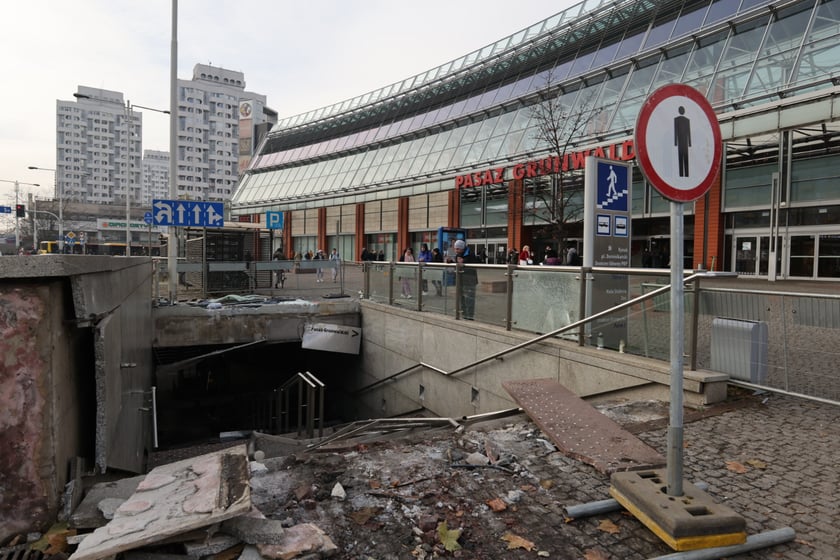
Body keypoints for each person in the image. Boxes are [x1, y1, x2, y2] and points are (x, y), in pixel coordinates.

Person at [453, 239, 479, 320]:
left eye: (457, 249)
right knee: (462, 298)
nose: (456, 251)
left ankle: (470, 316)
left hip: (470, 280)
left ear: (462, 248)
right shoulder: (458, 255)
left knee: (469, 298)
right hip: (460, 279)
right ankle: (463, 314)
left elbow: (475, 264)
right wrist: (451, 262)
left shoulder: (470, 254)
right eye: (455, 249)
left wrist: (464, 262)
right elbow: (457, 265)